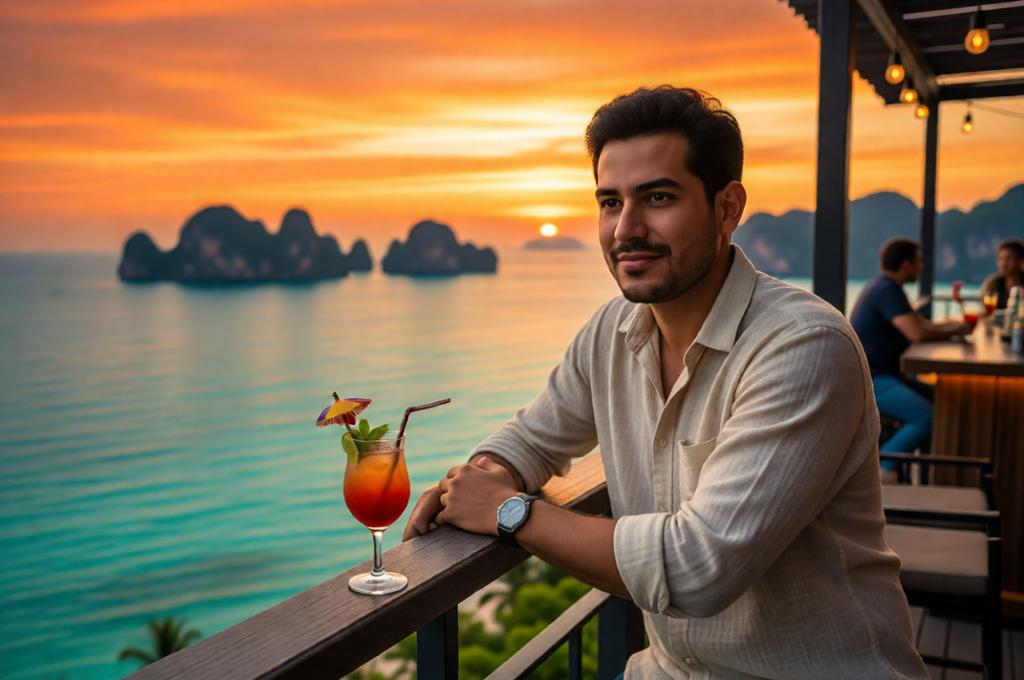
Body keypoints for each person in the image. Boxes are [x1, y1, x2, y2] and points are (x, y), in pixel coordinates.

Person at [404, 86, 928, 679]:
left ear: (727, 207)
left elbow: (697, 568)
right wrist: (485, 474)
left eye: (657, 197)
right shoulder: (612, 332)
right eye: (609, 202)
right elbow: (534, 436)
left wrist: (507, 512)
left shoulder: (802, 347)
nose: (627, 229)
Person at [850, 238, 969, 456]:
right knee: (927, 417)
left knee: (943, 398)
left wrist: (950, 326)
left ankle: (934, 460)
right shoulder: (887, 290)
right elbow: (916, 332)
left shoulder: (883, 285)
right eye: (919, 262)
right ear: (906, 265)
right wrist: (953, 331)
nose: (922, 267)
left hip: (881, 373)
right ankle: (883, 468)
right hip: (871, 378)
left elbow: (916, 323)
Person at [982, 238, 1023, 309]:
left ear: (1021, 260)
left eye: (1009, 258)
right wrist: (961, 302)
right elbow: (983, 309)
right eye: (1000, 259)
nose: (1003, 264)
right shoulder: (992, 283)